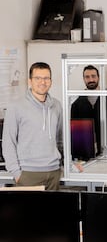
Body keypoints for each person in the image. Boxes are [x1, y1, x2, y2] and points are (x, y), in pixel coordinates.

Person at [2, 62, 63, 190]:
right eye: (38, 78)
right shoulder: (16, 107)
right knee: (27, 211)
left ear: (51, 81)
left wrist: (65, 164)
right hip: (28, 174)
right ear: (30, 81)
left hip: (53, 172)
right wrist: (17, 173)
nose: (43, 82)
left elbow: (60, 140)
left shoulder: (56, 105)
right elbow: (8, 142)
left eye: (46, 78)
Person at [71, 65, 107, 156]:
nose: (91, 80)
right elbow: (75, 129)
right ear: (83, 79)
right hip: (85, 153)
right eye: (87, 77)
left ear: (98, 77)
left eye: (93, 76)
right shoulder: (77, 103)